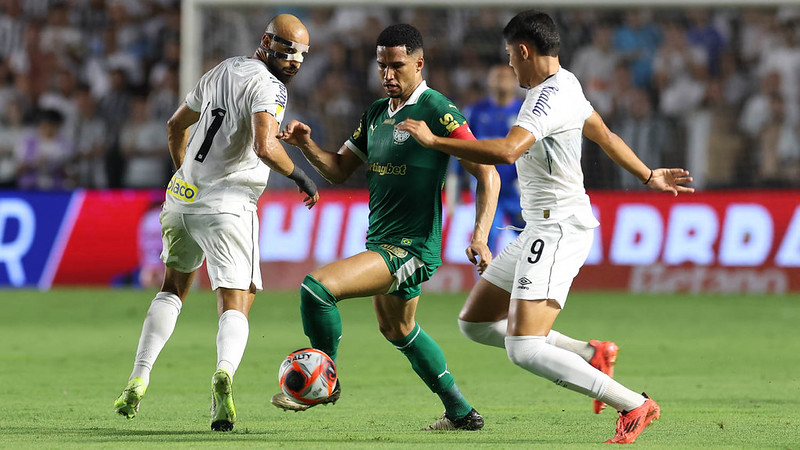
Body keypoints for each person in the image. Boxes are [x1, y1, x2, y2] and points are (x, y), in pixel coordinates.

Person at [396, 10, 694, 444]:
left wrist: (434, 140)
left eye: (509, 57)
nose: (510, 66)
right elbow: (604, 135)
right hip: (538, 227)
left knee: (524, 346)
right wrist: (649, 175)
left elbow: (505, 151)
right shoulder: (568, 84)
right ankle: (592, 354)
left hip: (559, 229)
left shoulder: (544, 99)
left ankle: (633, 404)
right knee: (476, 323)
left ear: (523, 50)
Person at [270, 24, 499, 431]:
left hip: (411, 249)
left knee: (316, 289)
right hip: (382, 240)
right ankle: (461, 413)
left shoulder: (436, 110)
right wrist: (305, 145)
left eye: (396, 66)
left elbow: (488, 173)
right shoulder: (377, 113)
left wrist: (479, 234)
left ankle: (323, 380)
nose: (388, 75)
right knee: (398, 329)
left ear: (419, 63)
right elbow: (339, 170)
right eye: (382, 67)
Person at [113, 14, 319, 432]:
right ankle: (223, 376)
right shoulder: (269, 86)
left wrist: (186, 178)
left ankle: (140, 375)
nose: (295, 61)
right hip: (229, 205)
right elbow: (264, 145)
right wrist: (300, 175)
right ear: (266, 42)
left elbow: (175, 127)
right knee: (236, 299)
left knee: (172, 289)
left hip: (181, 198)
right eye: (289, 50)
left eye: (302, 54)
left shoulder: (222, 69)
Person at [446, 64, 524, 255]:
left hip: (518, 190)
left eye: (505, 77)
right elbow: (462, 148)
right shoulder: (475, 111)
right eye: (496, 77)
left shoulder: (525, 111)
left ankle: (529, 282)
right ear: (488, 82)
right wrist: (453, 185)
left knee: (529, 239)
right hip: (485, 188)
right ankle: (485, 282)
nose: (501, 81)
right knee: (486, 240)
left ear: (515, 82)